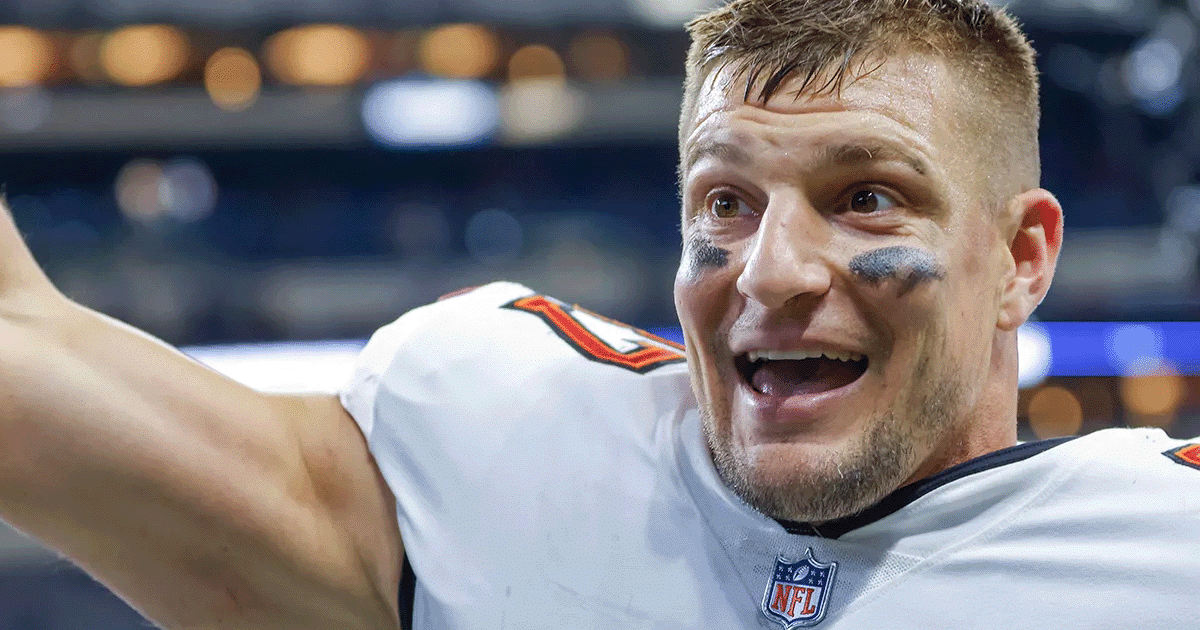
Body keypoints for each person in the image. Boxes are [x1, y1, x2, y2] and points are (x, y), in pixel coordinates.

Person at [0, 0, 1196, 628]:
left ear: (1021, 258)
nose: (770, 271)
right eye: (725, 201)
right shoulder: (504, 451)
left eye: (866, 197)